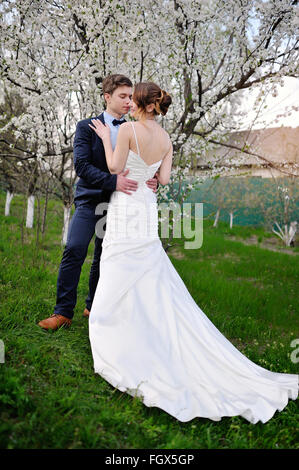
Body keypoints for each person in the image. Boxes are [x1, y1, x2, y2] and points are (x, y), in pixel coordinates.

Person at [88, 81, 298, 424]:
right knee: (146, 272)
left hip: (127, 204)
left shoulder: (126, 130)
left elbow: (114, 168)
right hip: (146, 205)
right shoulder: (167, 140)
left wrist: (103, 139)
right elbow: (165, 179)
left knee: (119, 266)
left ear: (138, 103)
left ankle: (116, 328)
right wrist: (151, 176)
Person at [38, 74, 158, 331]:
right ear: (107, 97)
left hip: (121, 204)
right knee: (75, 248)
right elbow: (81, 165)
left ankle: (93, 306)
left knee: (105, 256)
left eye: (130, 97)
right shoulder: (86, 127)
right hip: (90, 199)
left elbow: (143, 163)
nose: (128, 102)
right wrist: (113, 182)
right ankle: (62, 313)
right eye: (122, 96)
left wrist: (153, 178)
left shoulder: (136, 130)